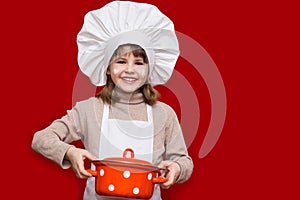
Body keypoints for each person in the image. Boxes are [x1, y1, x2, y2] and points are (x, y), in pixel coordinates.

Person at [32, 1, 193, 200]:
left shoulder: (164, 114)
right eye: (121, 61)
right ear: (107, 67)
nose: (130, 70)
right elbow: (40, 139)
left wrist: (177, 168)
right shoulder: (88, 110)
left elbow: (184, 160)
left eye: (139, 63)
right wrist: (70, 152)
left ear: (150, 69)